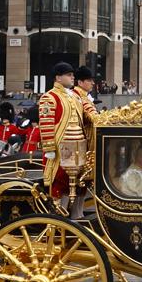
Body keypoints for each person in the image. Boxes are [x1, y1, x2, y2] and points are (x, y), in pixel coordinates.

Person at [36, 62, 91, 219]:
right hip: (62, 148)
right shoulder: (49, 97)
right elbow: (46, 124)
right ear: (58, 78)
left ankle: (77, 215)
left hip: (79, 146)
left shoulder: (75, 96)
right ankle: (60, 216)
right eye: (69, 75)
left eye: (72, 75)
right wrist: (49, 149)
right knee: (61, 184)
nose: (72, 77)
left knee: (81, 183)